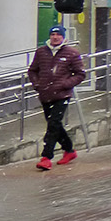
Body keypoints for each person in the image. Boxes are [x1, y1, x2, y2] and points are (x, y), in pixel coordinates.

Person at [27, 25, 86, 171]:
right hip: (45, 94)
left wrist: (65, 84)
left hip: (62, 94)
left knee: (53, 124)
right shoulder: (41, 52)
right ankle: (69, 150)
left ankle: (46, 157)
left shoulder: (71, 53)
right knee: (55, 125)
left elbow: (80, 74)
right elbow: (33, 70)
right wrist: (37, 84)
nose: (55, 37)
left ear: (63, 37)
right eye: (52, 34)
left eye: (58, 35)